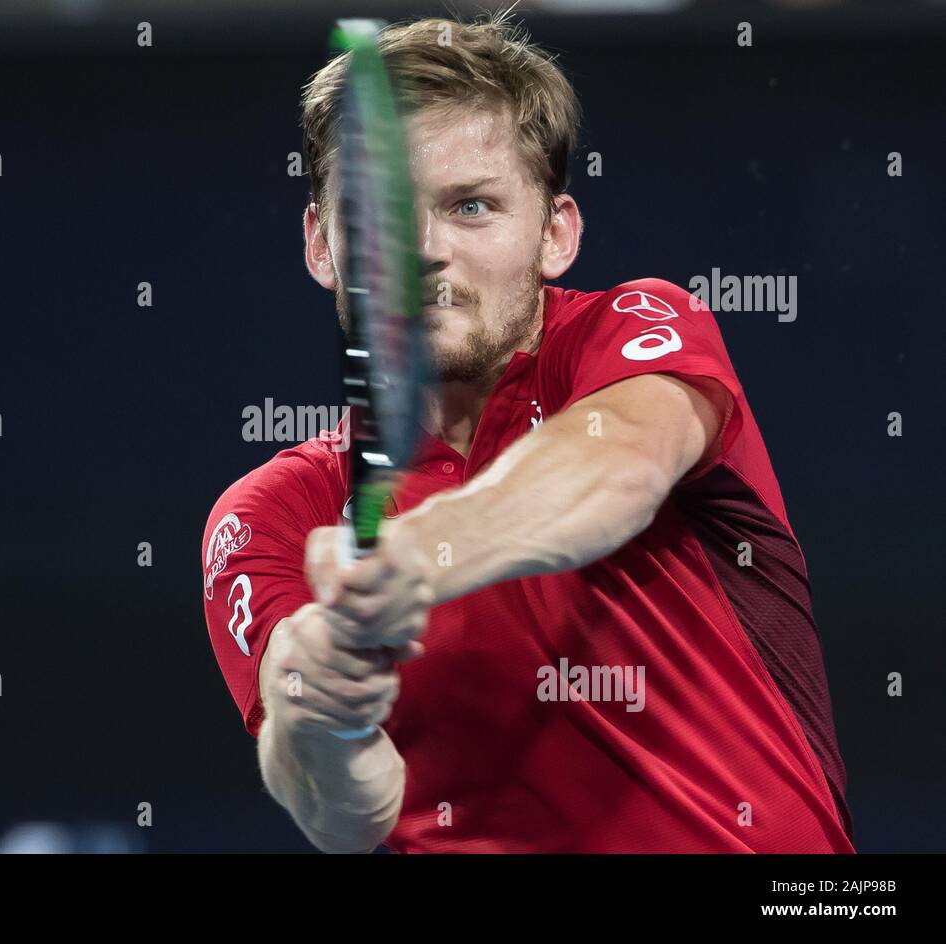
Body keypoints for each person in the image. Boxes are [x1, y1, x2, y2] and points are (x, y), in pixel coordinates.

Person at [201, 12, 853, 853]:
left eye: (472, 206)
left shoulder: (635, 330)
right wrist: (326, 710)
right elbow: (345, 814)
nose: (425, 250)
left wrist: (421, 556)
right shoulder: (269, 515)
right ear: (322, 246)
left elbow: (616, 463)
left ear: (556, 234)